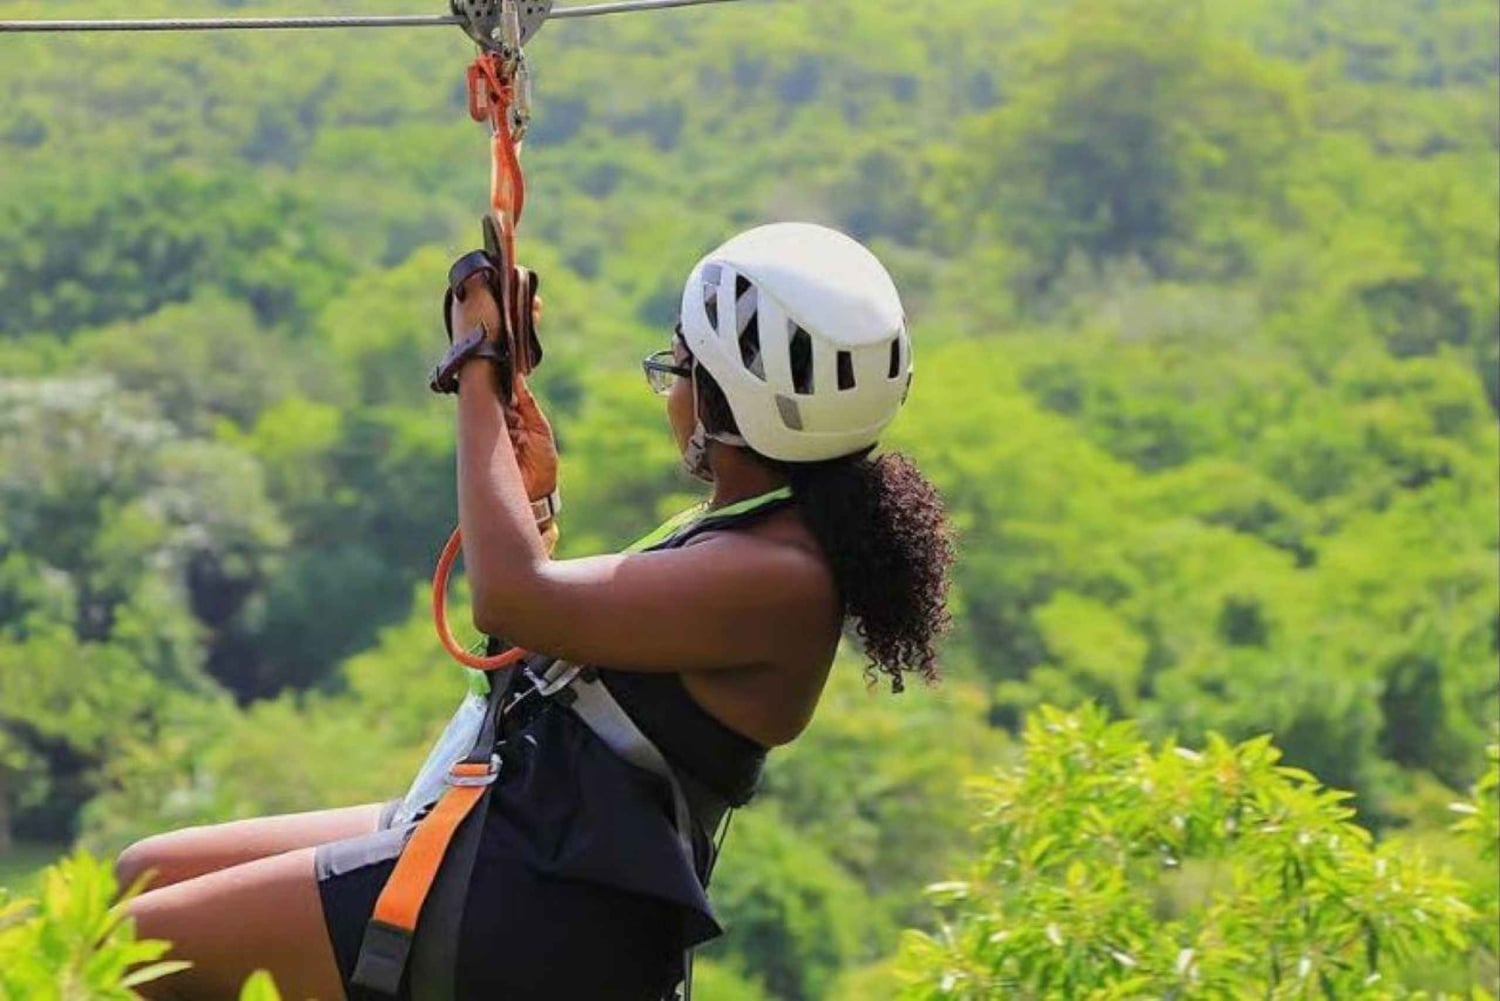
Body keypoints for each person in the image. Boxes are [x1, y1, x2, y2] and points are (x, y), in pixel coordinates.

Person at [114, 222, 954, 1000]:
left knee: (121, 947)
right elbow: (555, 626)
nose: (671, 386)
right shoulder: (762, 532)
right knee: (141, 873)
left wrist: (475, 365)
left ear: (724, 399)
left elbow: (513, 596)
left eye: (678, 367)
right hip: (527, 836)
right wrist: (533, 501)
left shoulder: (778, 574)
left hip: (539, 896)